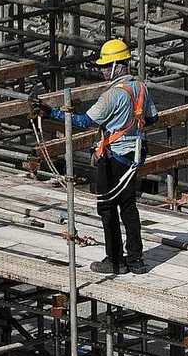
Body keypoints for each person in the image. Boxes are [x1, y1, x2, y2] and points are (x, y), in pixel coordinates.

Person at [32, 39, 158, 275]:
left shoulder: (111, 96)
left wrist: (51, 112)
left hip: (114, 158)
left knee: (107, 207)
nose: (100, 70)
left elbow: (83, 122)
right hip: (135, 155)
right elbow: (152, 119)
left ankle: (115, 261)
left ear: (117, 66)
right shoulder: (140, 88)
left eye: (104, 65)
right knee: (129, 206)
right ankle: (136, 260)